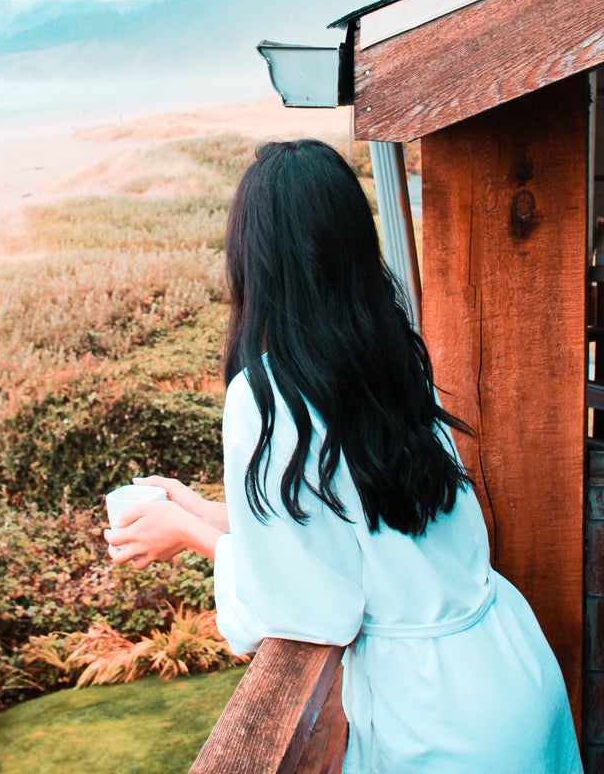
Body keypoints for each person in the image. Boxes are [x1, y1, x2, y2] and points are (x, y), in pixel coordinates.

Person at [105, 138, 582, 773]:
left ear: (255, 262)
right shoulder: (386, 351)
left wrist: (193, 536)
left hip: (437, 720)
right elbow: (363, 516)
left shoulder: (267, 395)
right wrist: (217, 511)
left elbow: (307, 610)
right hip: (512, 668)